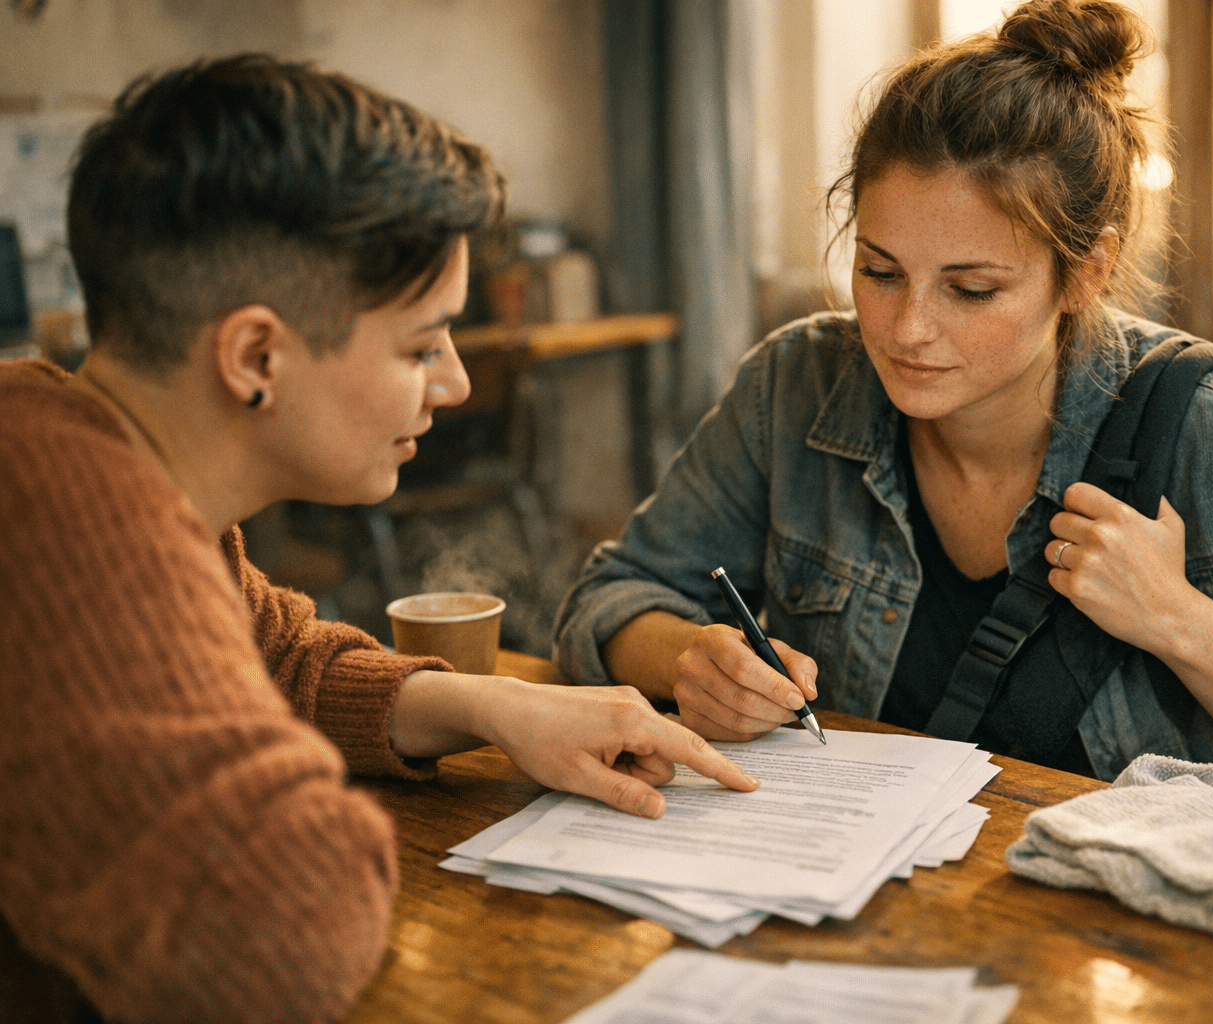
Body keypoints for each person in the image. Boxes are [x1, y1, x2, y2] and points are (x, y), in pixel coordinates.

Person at [0, 54, 758, 1024]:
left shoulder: (77, 445)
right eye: (420, 345)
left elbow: (269, 656)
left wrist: (493, 707)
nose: (456, 384)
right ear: (257, 356)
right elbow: (285, 939)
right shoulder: (69, 527)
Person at [554, 0, 1213, 801]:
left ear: (1085, 273)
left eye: (972, 289)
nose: (907, 328)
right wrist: (684, 656)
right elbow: (610, 597)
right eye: (878, 270)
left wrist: (1180, 620)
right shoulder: (794, 386)